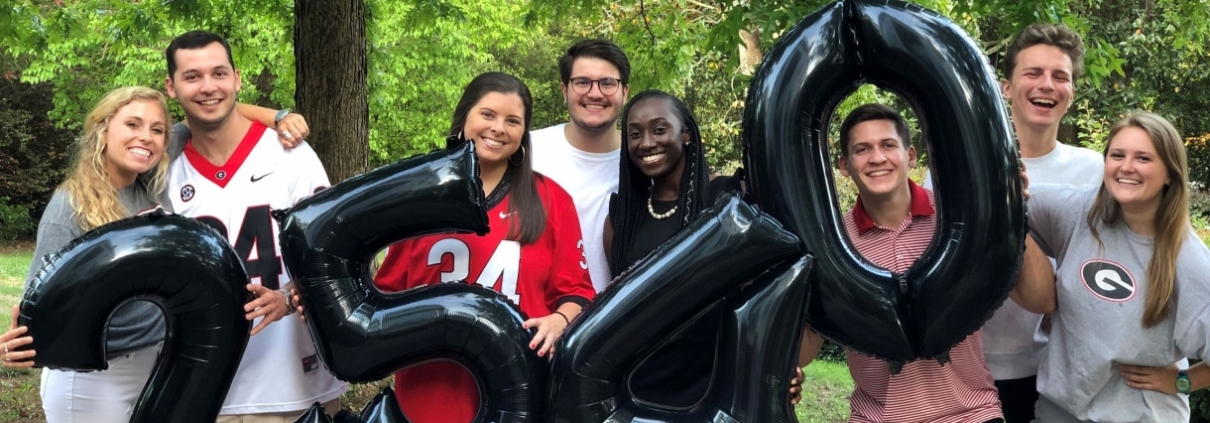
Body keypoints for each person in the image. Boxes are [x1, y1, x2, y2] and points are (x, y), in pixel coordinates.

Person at [799, 104, 1054, 423]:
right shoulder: (833, 242)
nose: (877, 158)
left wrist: (1012, 215)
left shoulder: (960, 219)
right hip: (878, 418)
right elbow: (805, 350)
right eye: (862, 149)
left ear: (910, 156)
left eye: (888, 145)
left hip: (971, 414)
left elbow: (1041, 299)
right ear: (844, 165)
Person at [374, 72, 596, 423]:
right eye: (488, 114)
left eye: (512, 121)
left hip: (518, 396)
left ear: (524, 133)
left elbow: (577, 294)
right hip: (428, 392)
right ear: (464, 117)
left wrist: (558, 321)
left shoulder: (552, 201)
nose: (498, 128)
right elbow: (383, 296)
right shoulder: (420, 197)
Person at [162, 30, 346, 421]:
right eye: (192, 76)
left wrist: (289, 296)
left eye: (219, 73)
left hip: (294, 384)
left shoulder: (290, 154)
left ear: (237, 79)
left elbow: (333, 255)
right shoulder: (161, 170)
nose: (208, 86)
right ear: (171, 87)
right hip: (203, 392)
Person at [1022, 112, 1210, 422]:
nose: (1126, 167)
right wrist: (1010, 186)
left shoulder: (1189, 260)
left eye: (1143, 158)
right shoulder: (1080, 212)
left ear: (1170, 174)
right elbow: (1010, 206)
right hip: (1060, 411)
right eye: (1117, 155)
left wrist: (1182, 381)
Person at [0, 86, 172, 423]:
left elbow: (210, 112)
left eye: (157, 129)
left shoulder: (150, 189)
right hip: (89, 378)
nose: (146, 136)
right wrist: (15, 345)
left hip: (154, 363)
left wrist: (278, 117)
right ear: (103, 131)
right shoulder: (70, 206)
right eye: (132, 124)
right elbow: (40, 301)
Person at [602, 90, 738, 408]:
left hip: (713, 388)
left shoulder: (725, 201)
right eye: (635, 134)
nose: (646, 142)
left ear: (686, 134)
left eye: (660, 129)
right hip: (640, 390)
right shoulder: (622, 216)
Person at [530, 39, 631, 293]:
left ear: (625, 92)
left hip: (620, 314)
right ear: (564, 89)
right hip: (537, 313)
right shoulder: (527, 152)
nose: (595, 93)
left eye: (608, 83)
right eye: (582, 82)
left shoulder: (645, 161)